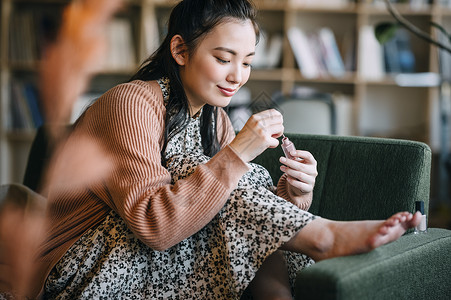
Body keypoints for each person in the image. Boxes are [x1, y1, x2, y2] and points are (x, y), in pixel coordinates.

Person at [25, 0, 420, 299]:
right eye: (223, 58)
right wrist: (235, 155)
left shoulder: (215, 119)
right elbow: (155, 226)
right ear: (180, 51)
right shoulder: (131, 102)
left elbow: (241, 217)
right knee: (205, 168)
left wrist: (295, 195)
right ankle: (324, 238)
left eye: (247, 62)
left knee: (220, 180)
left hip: (151, 253)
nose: (237, 77)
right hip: (81, 265)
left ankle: (316, 244)